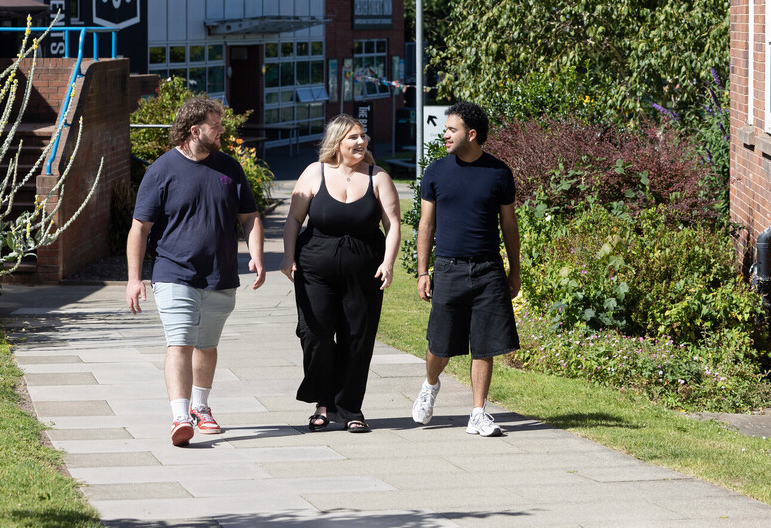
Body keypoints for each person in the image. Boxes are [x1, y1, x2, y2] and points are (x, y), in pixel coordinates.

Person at [126, 96, 266, 447]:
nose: (222, 131)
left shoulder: (229, 168)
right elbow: (139, 228)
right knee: (181, 342)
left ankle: (202, 407)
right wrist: (133, 278)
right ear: (194, 130)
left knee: (207, 345)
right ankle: (180, 415)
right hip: (173, 272)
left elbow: (249, 218)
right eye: (216, 126)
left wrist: (258, 256)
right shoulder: (161, 170)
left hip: (220, 274)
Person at [281, 114, 401, 433]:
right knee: (315, 334)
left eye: (363, 136)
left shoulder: (378, 177)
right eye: (353, 138)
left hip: (364, 270)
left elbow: (393, 224)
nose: (361, 142)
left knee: (357, 338)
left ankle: (350, 408)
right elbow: (293, 219)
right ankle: (324, 403)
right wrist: (288, 256)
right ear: (337, 143)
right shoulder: (314, 173)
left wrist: (388, 263)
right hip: (314, 268)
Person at [411, 101, 520, 438]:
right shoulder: (436, 172)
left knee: (485, 345)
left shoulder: (499, 173)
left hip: (488, 269)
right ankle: (430, 385)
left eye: (451, 130)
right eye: (446, 129)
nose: (445, 135)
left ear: (471, 134)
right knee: (439, 344)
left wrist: (514, 271)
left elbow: (509, 225)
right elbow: (426, 225)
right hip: (449, 268)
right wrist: (423, 271)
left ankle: (478, 413)